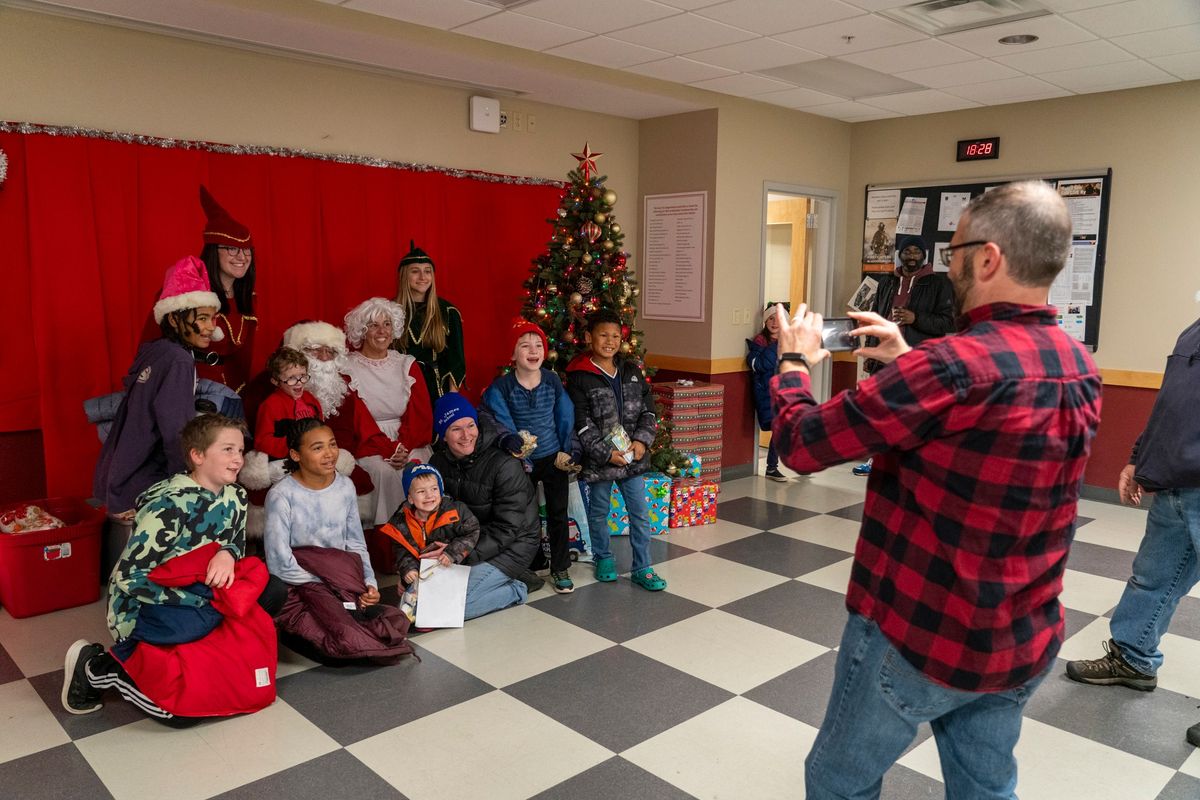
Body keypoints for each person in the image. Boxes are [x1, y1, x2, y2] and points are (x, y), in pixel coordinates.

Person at [771, 181, 1102, 799]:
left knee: (839, 781)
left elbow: (801, 444)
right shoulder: (1076, 363)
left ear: (988, 259)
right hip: (1019, 635)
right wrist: (906, 359)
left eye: (953, 253)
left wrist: (792, 364)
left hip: (920, 634)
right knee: (985, 788)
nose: (948, 266)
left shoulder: (949, 366)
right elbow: (980, 436)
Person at [64, 414, 283, 725]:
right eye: (228, 450)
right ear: (197, 455)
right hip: (150, 605)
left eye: (240, 450)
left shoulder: (237, 496)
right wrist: (200, 603)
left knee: (272, 589)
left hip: (203, 598)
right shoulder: (169, 505)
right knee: (176, 715)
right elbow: (129, 577)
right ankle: (98, 668)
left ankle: (209, 652)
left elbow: (234, 544)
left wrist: (226, 552)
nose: (238, 459)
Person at [1065, 316, 1200, 748]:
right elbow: (1172, 406)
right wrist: (1139, 458)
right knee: (1151, 578)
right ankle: (1133, 659)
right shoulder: (1193, 331)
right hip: (1176, 484)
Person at [265, 418, 411, 663]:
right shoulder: (281, 495)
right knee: (340, 645)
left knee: (386, 625)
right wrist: (328, 589)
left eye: (332, 445)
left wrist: (369, 583)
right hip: (302, 584)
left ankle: (348, 617)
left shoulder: (344, 486)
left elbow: (355, 543)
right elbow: (280, 562)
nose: (329, 454)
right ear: (295, 454)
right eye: (317, 447)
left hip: (340, 578)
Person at [94, 255, 220, 519]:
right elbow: (177, 431)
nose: (211, 327)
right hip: (146, 486)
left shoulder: (155, 353)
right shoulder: (179, 360)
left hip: (120, 481)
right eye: (204, 318)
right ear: (174, 320)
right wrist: (188, 480)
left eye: (213, 318)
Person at [566, 309, 665, 591]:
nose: (609, 341)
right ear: (589, 337)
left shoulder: (632, 371)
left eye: (615, 336)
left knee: (640, 513)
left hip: (632, 458)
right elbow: (582, 423)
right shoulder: (579, 376)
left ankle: (642, 566)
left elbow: (649, 410)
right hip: (602, 462)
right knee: (599, 511)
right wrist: (606, 454)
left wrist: (642, 442)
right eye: (602, 335)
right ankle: (603, 557)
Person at [482, 320, 580, 594]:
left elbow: (565, 415)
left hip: (553, 457)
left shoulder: (551, 380)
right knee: (524, 516)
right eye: (525, 346)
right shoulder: (501, 387)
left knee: (558, 513)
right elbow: (495, 418)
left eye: (538, 345)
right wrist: (508, 440)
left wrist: (568, 449)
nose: (533, 350)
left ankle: (560, 567)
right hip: (520, 461)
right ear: (512, 355)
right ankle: (530, 561)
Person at [280, 320, 406, 526]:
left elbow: (365, 427)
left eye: (330, 351)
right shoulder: (276, 386)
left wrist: (390, 449)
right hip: (294, 459)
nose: (323, 357)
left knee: (384, 470)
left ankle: (390, 541)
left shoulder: (341, 386)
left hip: (344, 455)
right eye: (313, 350)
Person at [139, 186, 259, 394]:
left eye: (246, 250)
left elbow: (243, 361)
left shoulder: (247, 299)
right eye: (232, 248)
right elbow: (152, 346)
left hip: (229, 393)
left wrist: (241, 398)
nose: (242, 257)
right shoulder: (184, 295)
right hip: (186, 389)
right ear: (214, 251)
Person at [853, 234, 955, 476]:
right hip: (884, 359)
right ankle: (877, 459)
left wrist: (915, 318)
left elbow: (948, 322)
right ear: (900, 254)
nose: (911, 256)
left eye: (916, 252)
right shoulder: (887, 282)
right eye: (907, 251)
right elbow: (875, 317)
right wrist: (871, 350)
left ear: (924, 256)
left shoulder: (939, 284)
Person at [429, 393, 543, 610]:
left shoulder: (503, 464)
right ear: (443, 435)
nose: (466, 435)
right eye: (455, 429)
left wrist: (458, 552)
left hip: (514, 544)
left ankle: (517, 587)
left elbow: (507, 529)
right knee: (425, 594)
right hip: (469, 542)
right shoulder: (438, 463)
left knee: (451, 607)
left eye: (470, 425)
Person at [380, 462, 527, 622]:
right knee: (414, 609)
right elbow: (402, 551)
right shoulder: (401, 522)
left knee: (453, 611)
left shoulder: (455, 511)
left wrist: (451, 552)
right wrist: (407, 570)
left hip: (455, 569)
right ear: (410, 498)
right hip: (426, 575)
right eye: (421, 492)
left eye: (434, 489)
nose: (429, 496)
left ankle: (514, 590)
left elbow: (472, 532)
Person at [342, 297, 433, 464]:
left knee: (417, 468)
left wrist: (403, 446)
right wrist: (387, 448)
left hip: (409, 441)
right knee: (382, 471)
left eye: (387, 324)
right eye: (373, 325)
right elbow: (357, 421)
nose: (382, 331)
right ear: (362, 331)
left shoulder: (407, 364)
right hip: (367, 443)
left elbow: (421, 416)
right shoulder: (347, 368)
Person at [392, 241, 466, 402]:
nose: (422, 277)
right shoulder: (389, 311)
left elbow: (456, 359)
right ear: (405, 275)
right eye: (415, 271)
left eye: (427, 271)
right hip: (400, 386)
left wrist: (451, 400)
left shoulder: (448, 312)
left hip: (437, 388)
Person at [253, 347, 321, 460]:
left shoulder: (310, 399)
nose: (299, 383)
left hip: (313, 456)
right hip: (285, 460)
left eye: (302, 376)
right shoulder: (270, 405)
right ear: (275, 381)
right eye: (291, 378)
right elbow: (261, 442)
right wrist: (296, 445)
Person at [746, 301, 788, 482]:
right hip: (767, 392)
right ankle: (772, 467)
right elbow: (761, 364)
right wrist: (776, 347)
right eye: (770, 318)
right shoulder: (760, 342)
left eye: (778, 318)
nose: (774, 322)